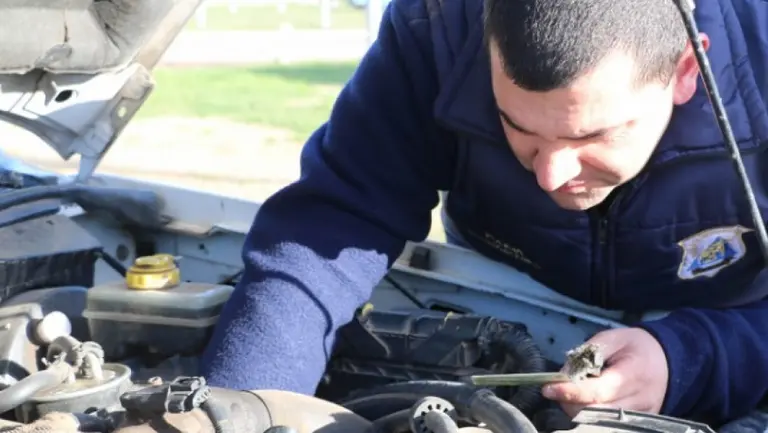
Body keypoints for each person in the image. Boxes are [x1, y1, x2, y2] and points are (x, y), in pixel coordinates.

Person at [199, 0, 768, 426]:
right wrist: (239, 407)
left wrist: (692, 356)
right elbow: (330, 227)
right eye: (517, 127)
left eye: (593, 134)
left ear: (687, 70)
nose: (552, 175)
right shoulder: (439, 27)